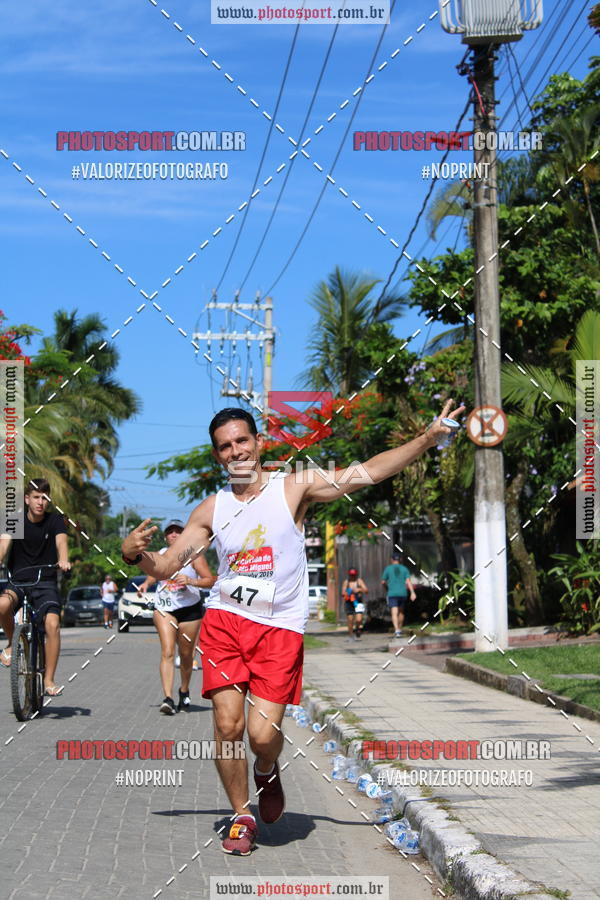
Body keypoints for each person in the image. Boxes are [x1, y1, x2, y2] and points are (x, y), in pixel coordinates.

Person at [121, 400, 463, 856]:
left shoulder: (293, 488)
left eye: (242, 440)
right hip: (224, 624)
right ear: (217, 455)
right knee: (227, 726)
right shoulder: (212, 508)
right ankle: (242, 816)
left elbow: (366, 472)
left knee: (262, 737)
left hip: (279, 629)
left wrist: (426, 437)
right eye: (225, 446)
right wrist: (134, 555)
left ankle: (266, 767)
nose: (235, 451)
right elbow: (166, 565)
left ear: (259, 443)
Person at [136, 519, 216, 715]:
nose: (173, 535)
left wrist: (191, 580)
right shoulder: (161, 554)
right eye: (170, 532)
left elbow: (211, 580)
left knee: (187, 655)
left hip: (190, 609)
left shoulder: (194, 555)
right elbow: (154, 572)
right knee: (168, 652)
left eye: (178, 531)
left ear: (185, 535)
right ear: (165, 536)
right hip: (164, 608)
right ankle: (168, 698)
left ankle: (184, 690)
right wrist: (146, 584)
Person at [0, 478, 71, 695]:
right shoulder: (14, 519)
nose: (40, 502)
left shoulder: (55, 520)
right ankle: (12, 644)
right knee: (2, 605)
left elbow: (61, 543)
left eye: (44, 498)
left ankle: (48, 680)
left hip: (45, 581)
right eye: (36, 497)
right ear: (27, 499)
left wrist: (64, 560)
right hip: (18, 580)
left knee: (52, 624)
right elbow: (3, 544)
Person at [381, 551, 416, 637]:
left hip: (392, 593)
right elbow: (408, 581)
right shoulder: (404, 569)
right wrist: (412, 592)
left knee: (394, 612)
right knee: (401, 612)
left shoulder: (388, 569)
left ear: (392, 559)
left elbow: (383, 582)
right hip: (402, 593)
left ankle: (397, 630)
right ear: (399, 560)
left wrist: (387, 587)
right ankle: (399, 629)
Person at [341, 567, 368, 641]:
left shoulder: (359, 581)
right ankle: (350, 635)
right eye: (351, 575)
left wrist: (359, 589)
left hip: (358, 602)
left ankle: (358, 629)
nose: (352, 577)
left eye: (354, 575)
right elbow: (342, 593)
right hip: (349, 602)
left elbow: (366, 590)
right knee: (350, 620)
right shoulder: (346, 582)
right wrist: (348, 592)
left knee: (359, 619)